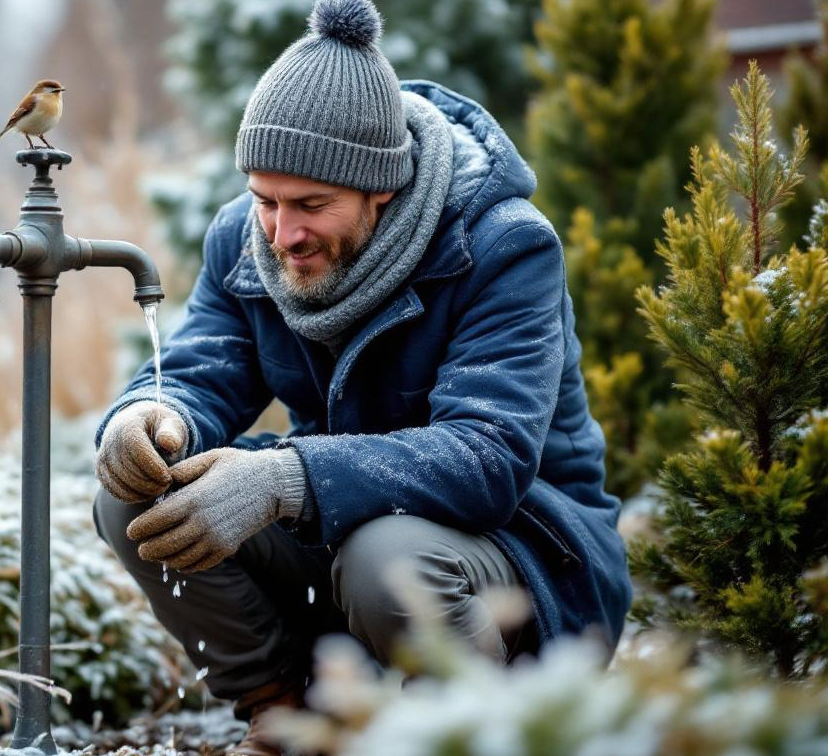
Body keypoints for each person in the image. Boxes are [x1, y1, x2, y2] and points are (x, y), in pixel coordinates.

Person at [92, 1, 631, 753]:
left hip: (522, 559)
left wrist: (284, 479)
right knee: (137, 502)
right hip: (349, 535)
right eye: (266, 201)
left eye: (312, 205)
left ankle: (465, 731)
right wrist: (153, 418)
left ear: (383, 185)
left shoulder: (505, 248)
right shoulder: (246, 241)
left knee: (388, 558)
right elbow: (199, 369)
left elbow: (487, 458)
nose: (283, 234)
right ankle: (291, 719)